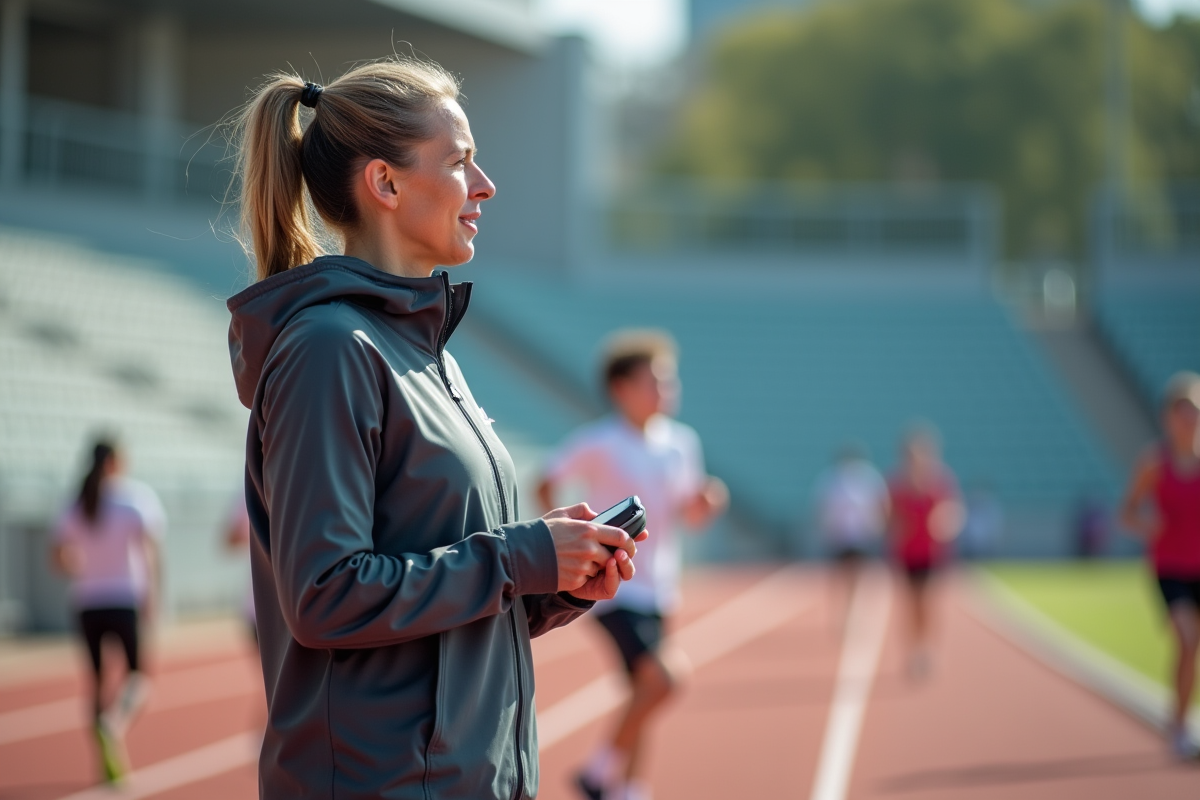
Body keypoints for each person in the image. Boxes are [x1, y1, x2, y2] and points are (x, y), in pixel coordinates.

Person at [225, 58, 645, 800]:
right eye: (459, 163)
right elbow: (326, 594)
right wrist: (520, 558)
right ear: (385, 184)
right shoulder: (330, 351)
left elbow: (441, 608)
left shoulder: (427, 355)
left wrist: (554, 580)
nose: (485, 187)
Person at [536, 330, 728, 800]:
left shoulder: (682, 443)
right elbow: (546, 481)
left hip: (662, 587)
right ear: (621, 388)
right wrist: (562, 536)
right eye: (655, 381)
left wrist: (708, 502)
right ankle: (599, 776)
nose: (667, 390)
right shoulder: (598, 442)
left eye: (669, 381)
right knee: (664, 679)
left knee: (643, 693)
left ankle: (630, 788)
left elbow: (691, 514)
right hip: (614, 589)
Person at [50, 438, 164, 784]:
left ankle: (106, 759)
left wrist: (80, 567)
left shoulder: (76, 502)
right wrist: (153, 596)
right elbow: (151, 552)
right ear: (115, 461)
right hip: (124, 598)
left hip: (86, 602)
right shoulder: (134, 499)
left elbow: (57, 555)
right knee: (138, 679)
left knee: (97, 681)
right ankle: (112, 726)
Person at [1120, 371, 1200, 760]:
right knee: (1187, 639)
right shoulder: (1155, 463)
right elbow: (1127, 513)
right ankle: (1179, 726)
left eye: (1196, 412)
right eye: (1183, 412)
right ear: (1168, 417)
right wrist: (1148, 524)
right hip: (1170, 567)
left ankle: (1179, 718)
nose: (1190, 420)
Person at [886, 425, 963, 679]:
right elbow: (886, 516)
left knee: (928, 602)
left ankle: (926, 650)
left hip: (931, 552)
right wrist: (894, 525)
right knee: (910, 603)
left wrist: (945, 523)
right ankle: (912, 650)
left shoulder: (940, 481)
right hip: (906, 552)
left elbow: (954, 512)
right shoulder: (896, 483)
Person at [812, 443, 889, 635]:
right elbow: (822, 507)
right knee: (839, 577)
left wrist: (877, 527)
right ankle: (841, 615)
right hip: (839, 536)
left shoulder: (869, 477)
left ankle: (852, 614)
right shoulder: (831, 479)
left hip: (861, 535)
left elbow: (881, 504)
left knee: (856, 576)